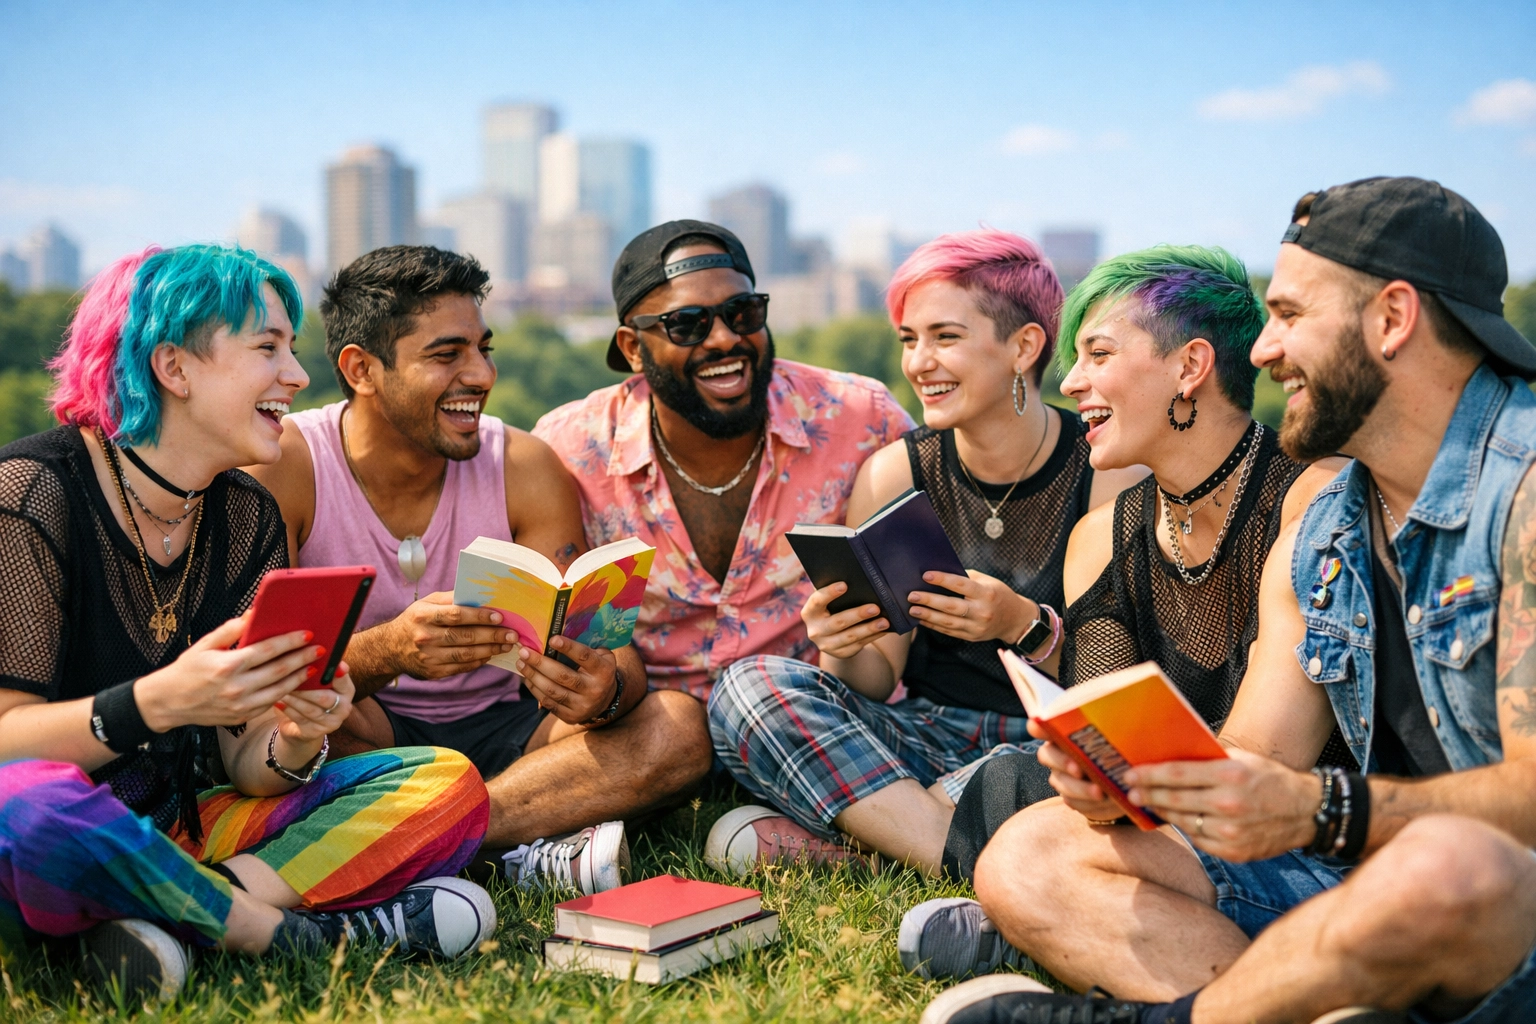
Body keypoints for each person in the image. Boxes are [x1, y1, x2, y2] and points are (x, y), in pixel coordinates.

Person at [928, 178, 1536, 1024]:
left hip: (1493, 895)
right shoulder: (1332, 522)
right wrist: (1137, 787)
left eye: (1288, 314)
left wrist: (1319, 810)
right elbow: (1257, 753)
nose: (1261, 349)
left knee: (1448, 865)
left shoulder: (1525, 492)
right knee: (1026, 854)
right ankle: (1320, 996)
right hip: (1357, 874)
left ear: (1392, 320)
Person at [0, 245, 494, 1002]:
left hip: (189, 828)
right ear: (174, 367)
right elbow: (6, 744)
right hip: (51, 833)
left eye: (291, 350)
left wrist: (297, 735)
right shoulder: (30, 495)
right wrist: (158, 703)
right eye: (268, 348)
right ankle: (289, 936)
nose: (297, 376)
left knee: (444, 780)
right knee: (29, 804)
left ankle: (174, 911)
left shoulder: (245, 514)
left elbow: (248, 769)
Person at [897, 244, 1351, 980]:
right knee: (1018, 784)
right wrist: (1092, 773)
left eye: (1098, 353)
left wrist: (1123, 783)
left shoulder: (1310, 502)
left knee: (1027, 848)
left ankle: (1058, 935)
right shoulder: (1102, 537)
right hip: (1179, 827)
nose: (1070, 383)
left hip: (1296, 841)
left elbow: (1267, 762)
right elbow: (1103, 716)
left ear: (1190, 366)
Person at [249, 246, 710, 892]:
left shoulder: (523, 466)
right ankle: (523, 839)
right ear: (361, 369)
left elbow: (617, 658)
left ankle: (434, 838)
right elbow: (262, 675)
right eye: (446, 355)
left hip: (518, 734)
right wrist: (392, 650)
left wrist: (603, 689)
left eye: (483, 349)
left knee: (678, 730)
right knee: (294, 719)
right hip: (371, 735)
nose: (481, 374)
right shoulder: (288, 468)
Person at [704, 230, 1142, 878]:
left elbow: (1119, 683)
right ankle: (963, 857)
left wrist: (1019, 624)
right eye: (910, 340)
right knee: (746, 689)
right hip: (925, 736)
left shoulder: (1106, 468)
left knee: (1053, 772)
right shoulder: (897, 475)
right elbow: (877, 681)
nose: (919, 363)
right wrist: (843, 643)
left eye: (945, 337)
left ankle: (884, 847)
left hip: (1049, 750)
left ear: (1024, 346)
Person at [531, 222, 912, 714]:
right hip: (651, 724)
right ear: (631, 348)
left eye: (743, 312)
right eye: (687, 324)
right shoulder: (568, 448)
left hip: (812, 718)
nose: (724, 339)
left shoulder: (863, 419)